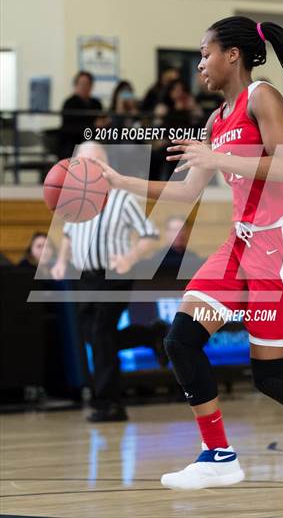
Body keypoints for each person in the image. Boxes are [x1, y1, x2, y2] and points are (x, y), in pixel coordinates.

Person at [97, 4, 283, 504]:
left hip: (280, 243)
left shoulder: (261, 96)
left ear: (233, 55)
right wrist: (119, 182)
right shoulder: (214, 119)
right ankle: (218, 456)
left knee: (268, 374)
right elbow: (186, 193)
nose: (200, 65)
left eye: (205, 55)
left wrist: (217, 157)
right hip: (240, 242)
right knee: (181, 339)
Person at [51, 142, 159, 423]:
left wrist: (130, 257)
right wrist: (62, 262)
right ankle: (151, 335)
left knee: (100, 333)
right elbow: (67, 235)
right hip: (85, 278)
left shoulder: (123, 199)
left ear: (105, 165)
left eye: (95, 162)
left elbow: (149, 235)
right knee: (96, 338)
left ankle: (109, 403)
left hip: (114, 276)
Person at [60, 71, 107, 159]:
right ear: (76, 85)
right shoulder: (69, 103)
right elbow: (69, 128)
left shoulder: (96, 104)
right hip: (73, 144)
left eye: (87, 84)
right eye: (82, 83)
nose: (84, 87)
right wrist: (93, 126)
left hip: (94, 143)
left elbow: (102, 122)